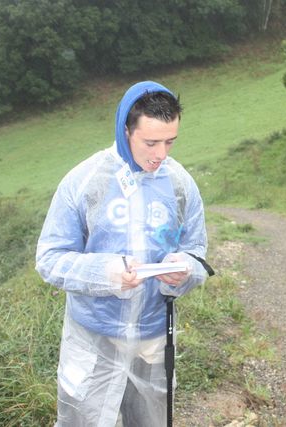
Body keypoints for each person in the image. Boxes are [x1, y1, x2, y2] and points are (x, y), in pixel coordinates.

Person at [35, 81, 213, 426]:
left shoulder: (179, 184)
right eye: (150, 142)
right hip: (93, 341)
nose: (161, 154)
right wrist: (105, 273)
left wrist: (186, 270)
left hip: (153, 340)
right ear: (125, 130)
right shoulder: (84, 181)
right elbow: (50, 258)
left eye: (170, 142)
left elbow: (196, 251)